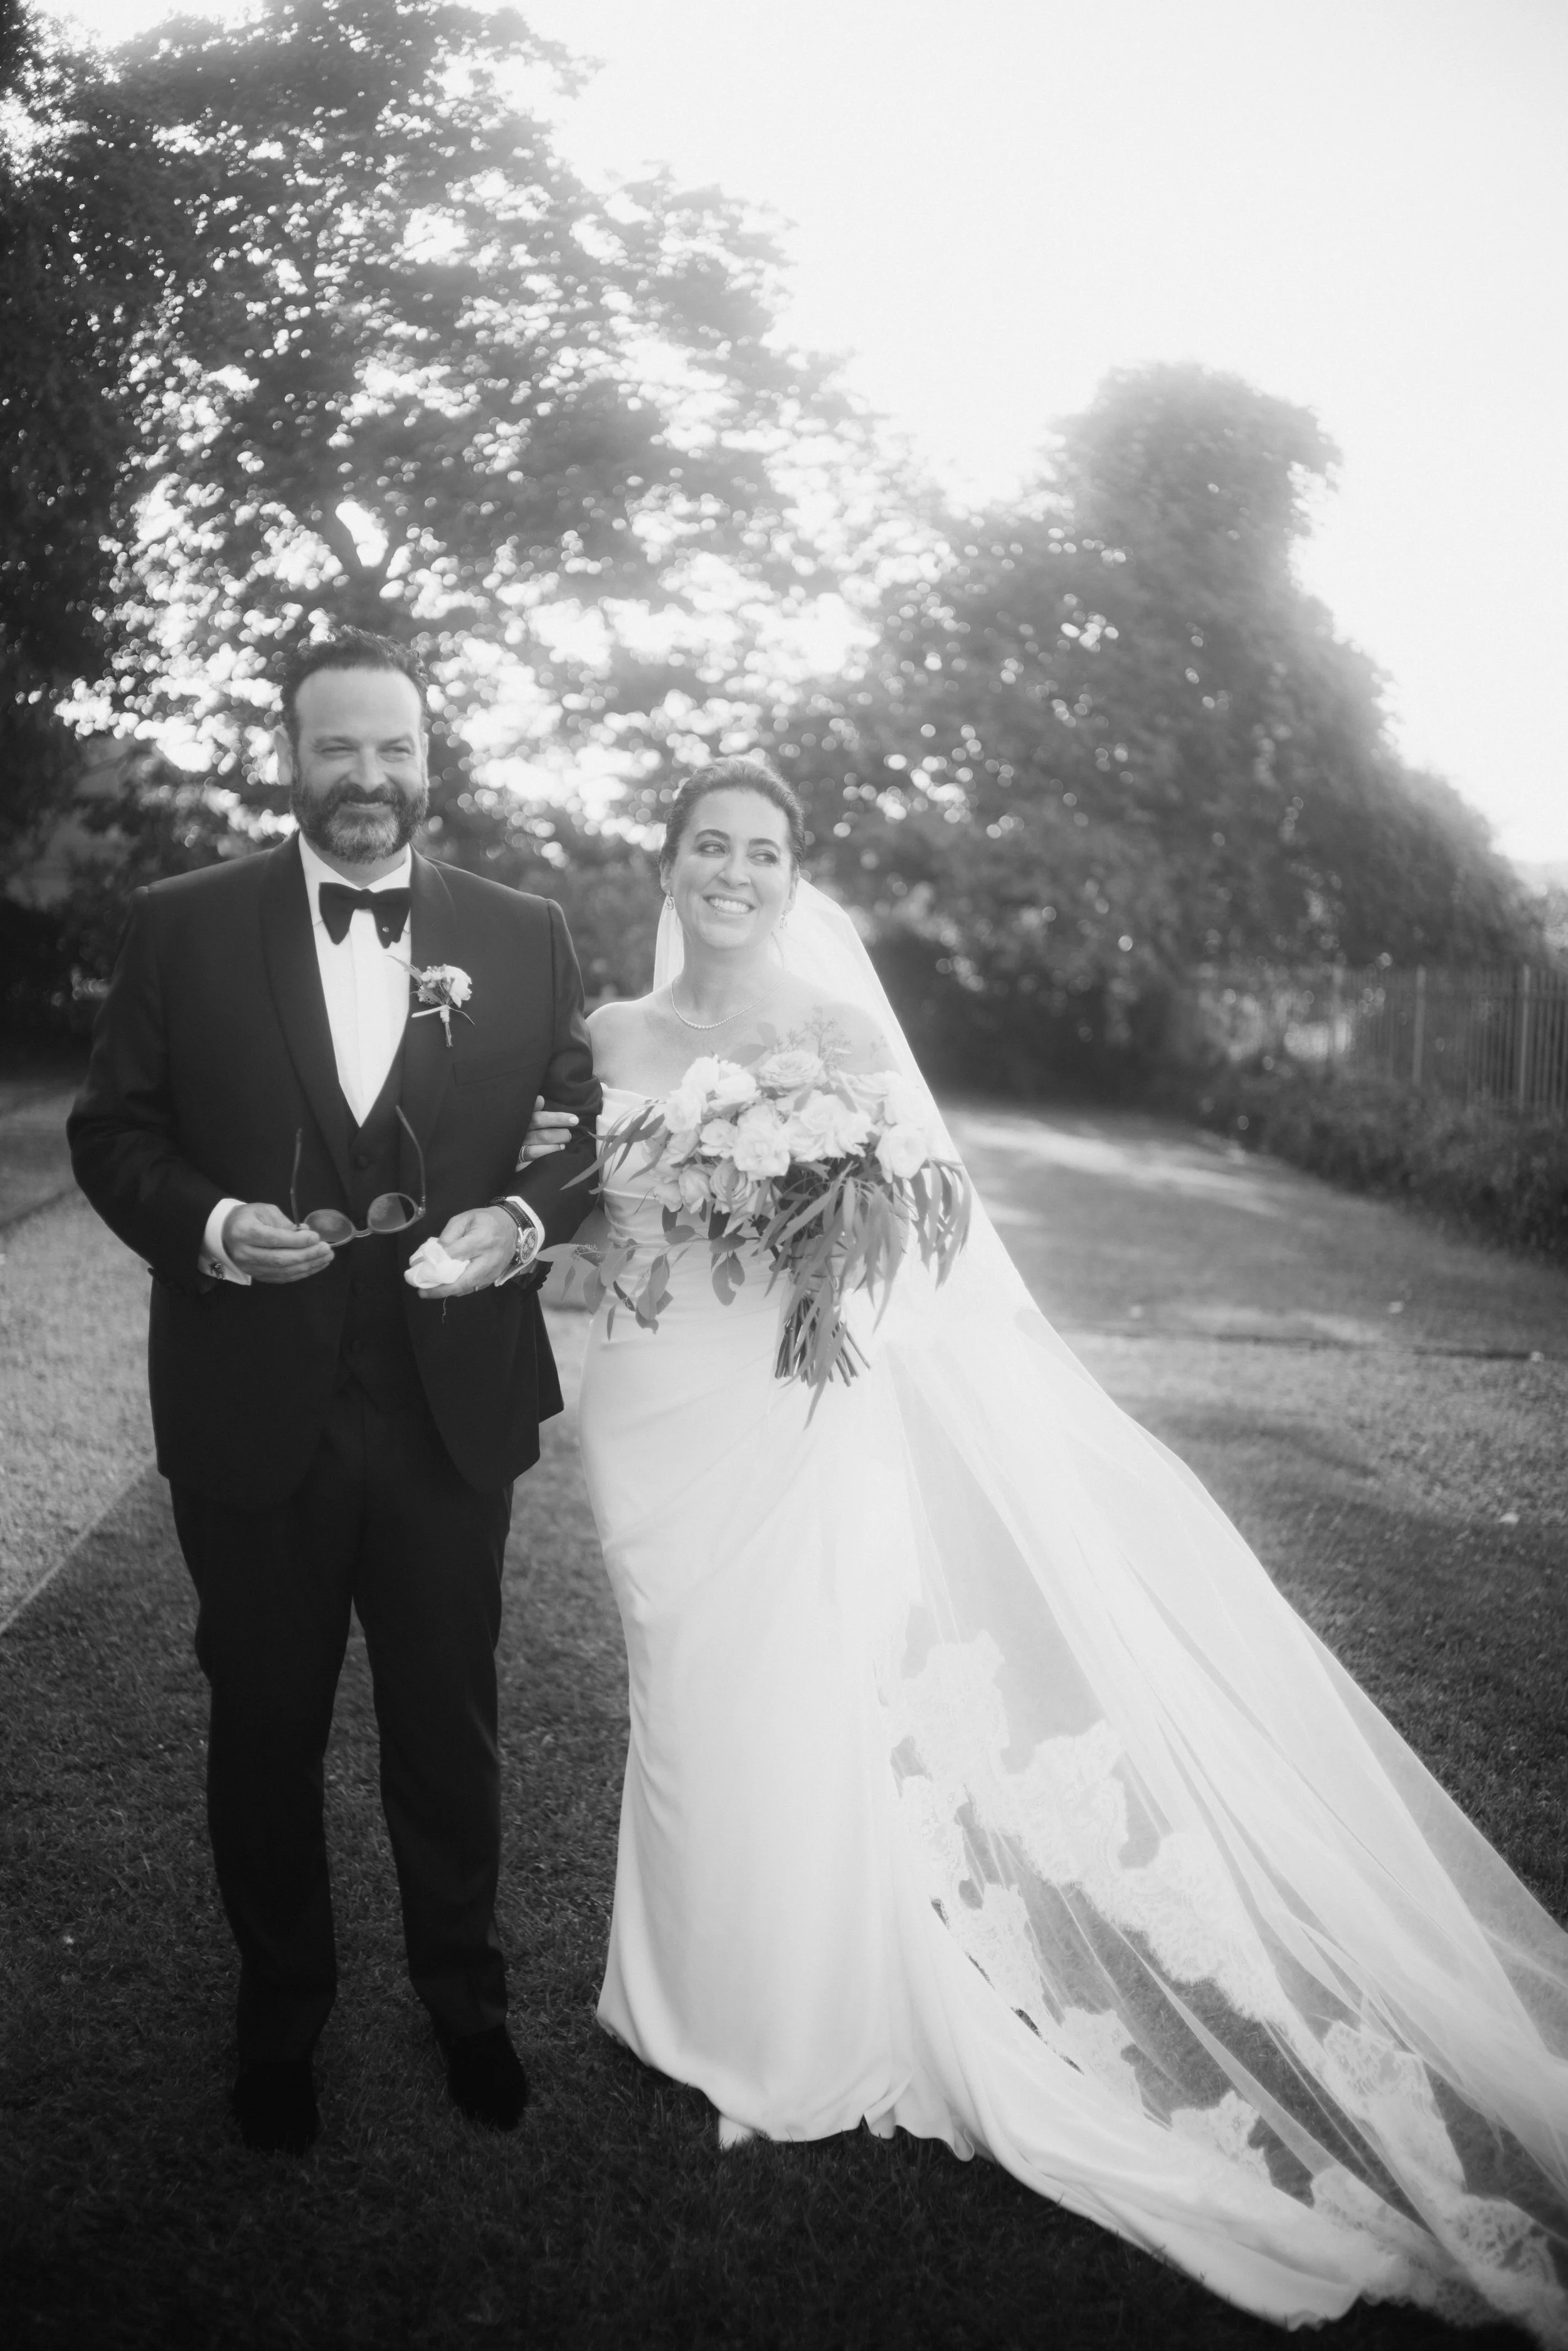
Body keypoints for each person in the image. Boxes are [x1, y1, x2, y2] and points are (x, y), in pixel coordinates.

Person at [524, 756, 1568, 2343]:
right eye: (706, 846)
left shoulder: (840, 1035)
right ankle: (672, 1992)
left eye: (763, 850)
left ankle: (796, 2021)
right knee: (680, 1702)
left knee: (786, 1704)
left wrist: (808, 1255)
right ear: (662, 862)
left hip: (784, 1420)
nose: (732, 870)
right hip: (648, 1418)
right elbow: (600, 1219)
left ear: (795, 876)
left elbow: (901, 1241)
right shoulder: (609, 1036)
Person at [68, 630, 601, 2155]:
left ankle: (466, 1997)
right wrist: (215, 1228)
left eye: (394, 749)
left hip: (451, 1408)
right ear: (289, 753)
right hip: (253, 1406)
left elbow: (573, 1128)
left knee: (451, 1717)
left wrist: (524, 1219)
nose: (367, 778)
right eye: (337, 748)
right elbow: (114, 1132)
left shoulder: (522, 929)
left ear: (431, 760)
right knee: (264, 1722)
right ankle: (279, 2015)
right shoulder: (184, 925)